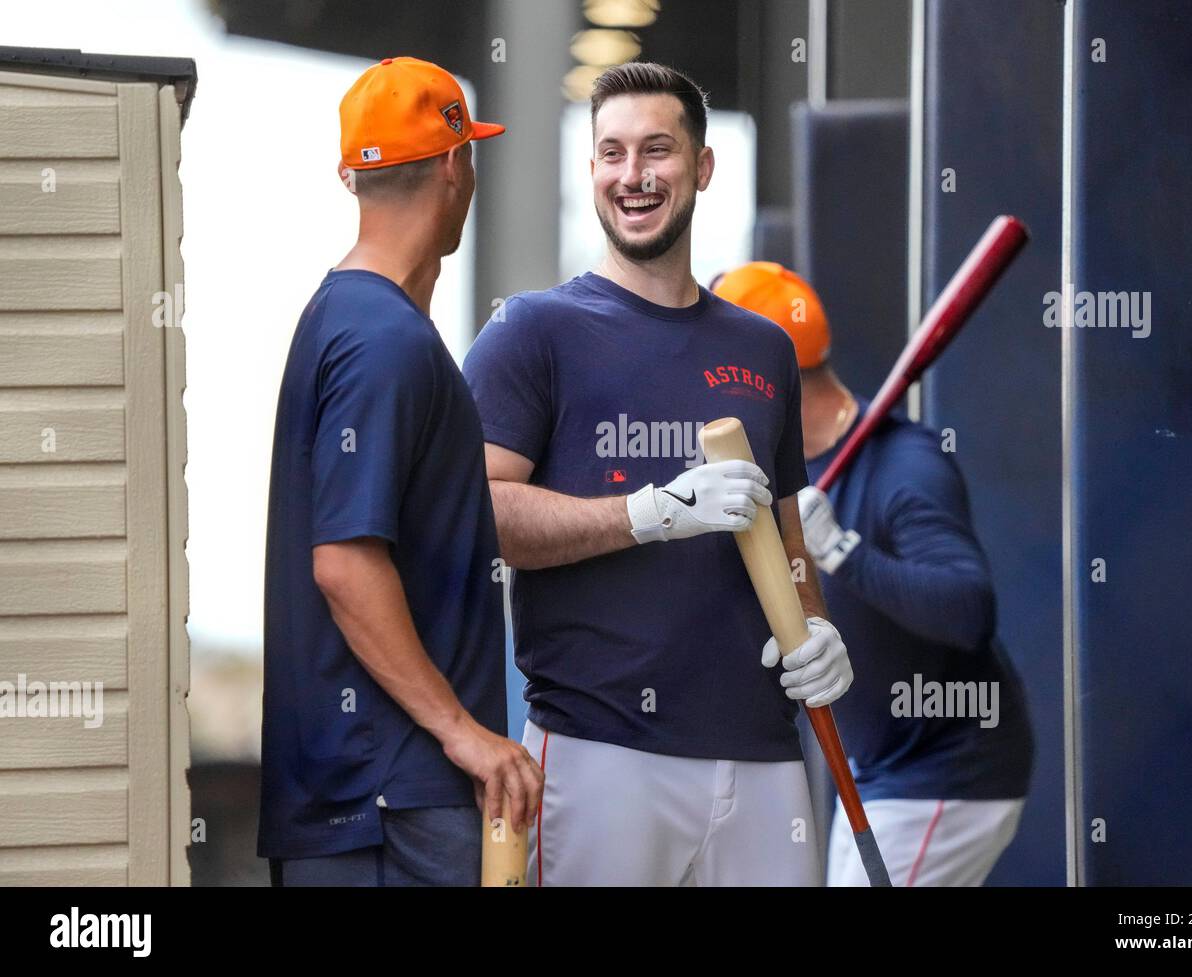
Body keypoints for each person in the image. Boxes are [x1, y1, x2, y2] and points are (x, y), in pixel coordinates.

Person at [463, 63, 851, 886]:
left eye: (657, 151)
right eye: (611, 153)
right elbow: (482, 513)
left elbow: (783, 535)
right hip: (601, 753)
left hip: (763, 754)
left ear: (703, 167)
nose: (632, 175)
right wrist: (648, 511)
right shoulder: (536, 331)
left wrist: (815, 626)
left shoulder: (762, 348)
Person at [259, 57, 543, 886]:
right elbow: (345, 563)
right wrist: (463, 731)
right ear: (456, 165)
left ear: (352, 176)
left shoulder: (343, 316)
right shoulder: (385, 341)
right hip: (394, 800)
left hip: (364, 796)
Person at [713, 261, 1034, 887]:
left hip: (942, 771)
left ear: (770, 380)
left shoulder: (905, 466)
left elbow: (970, 610)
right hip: (878, 766)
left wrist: (844, 552)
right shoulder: (779, 475)